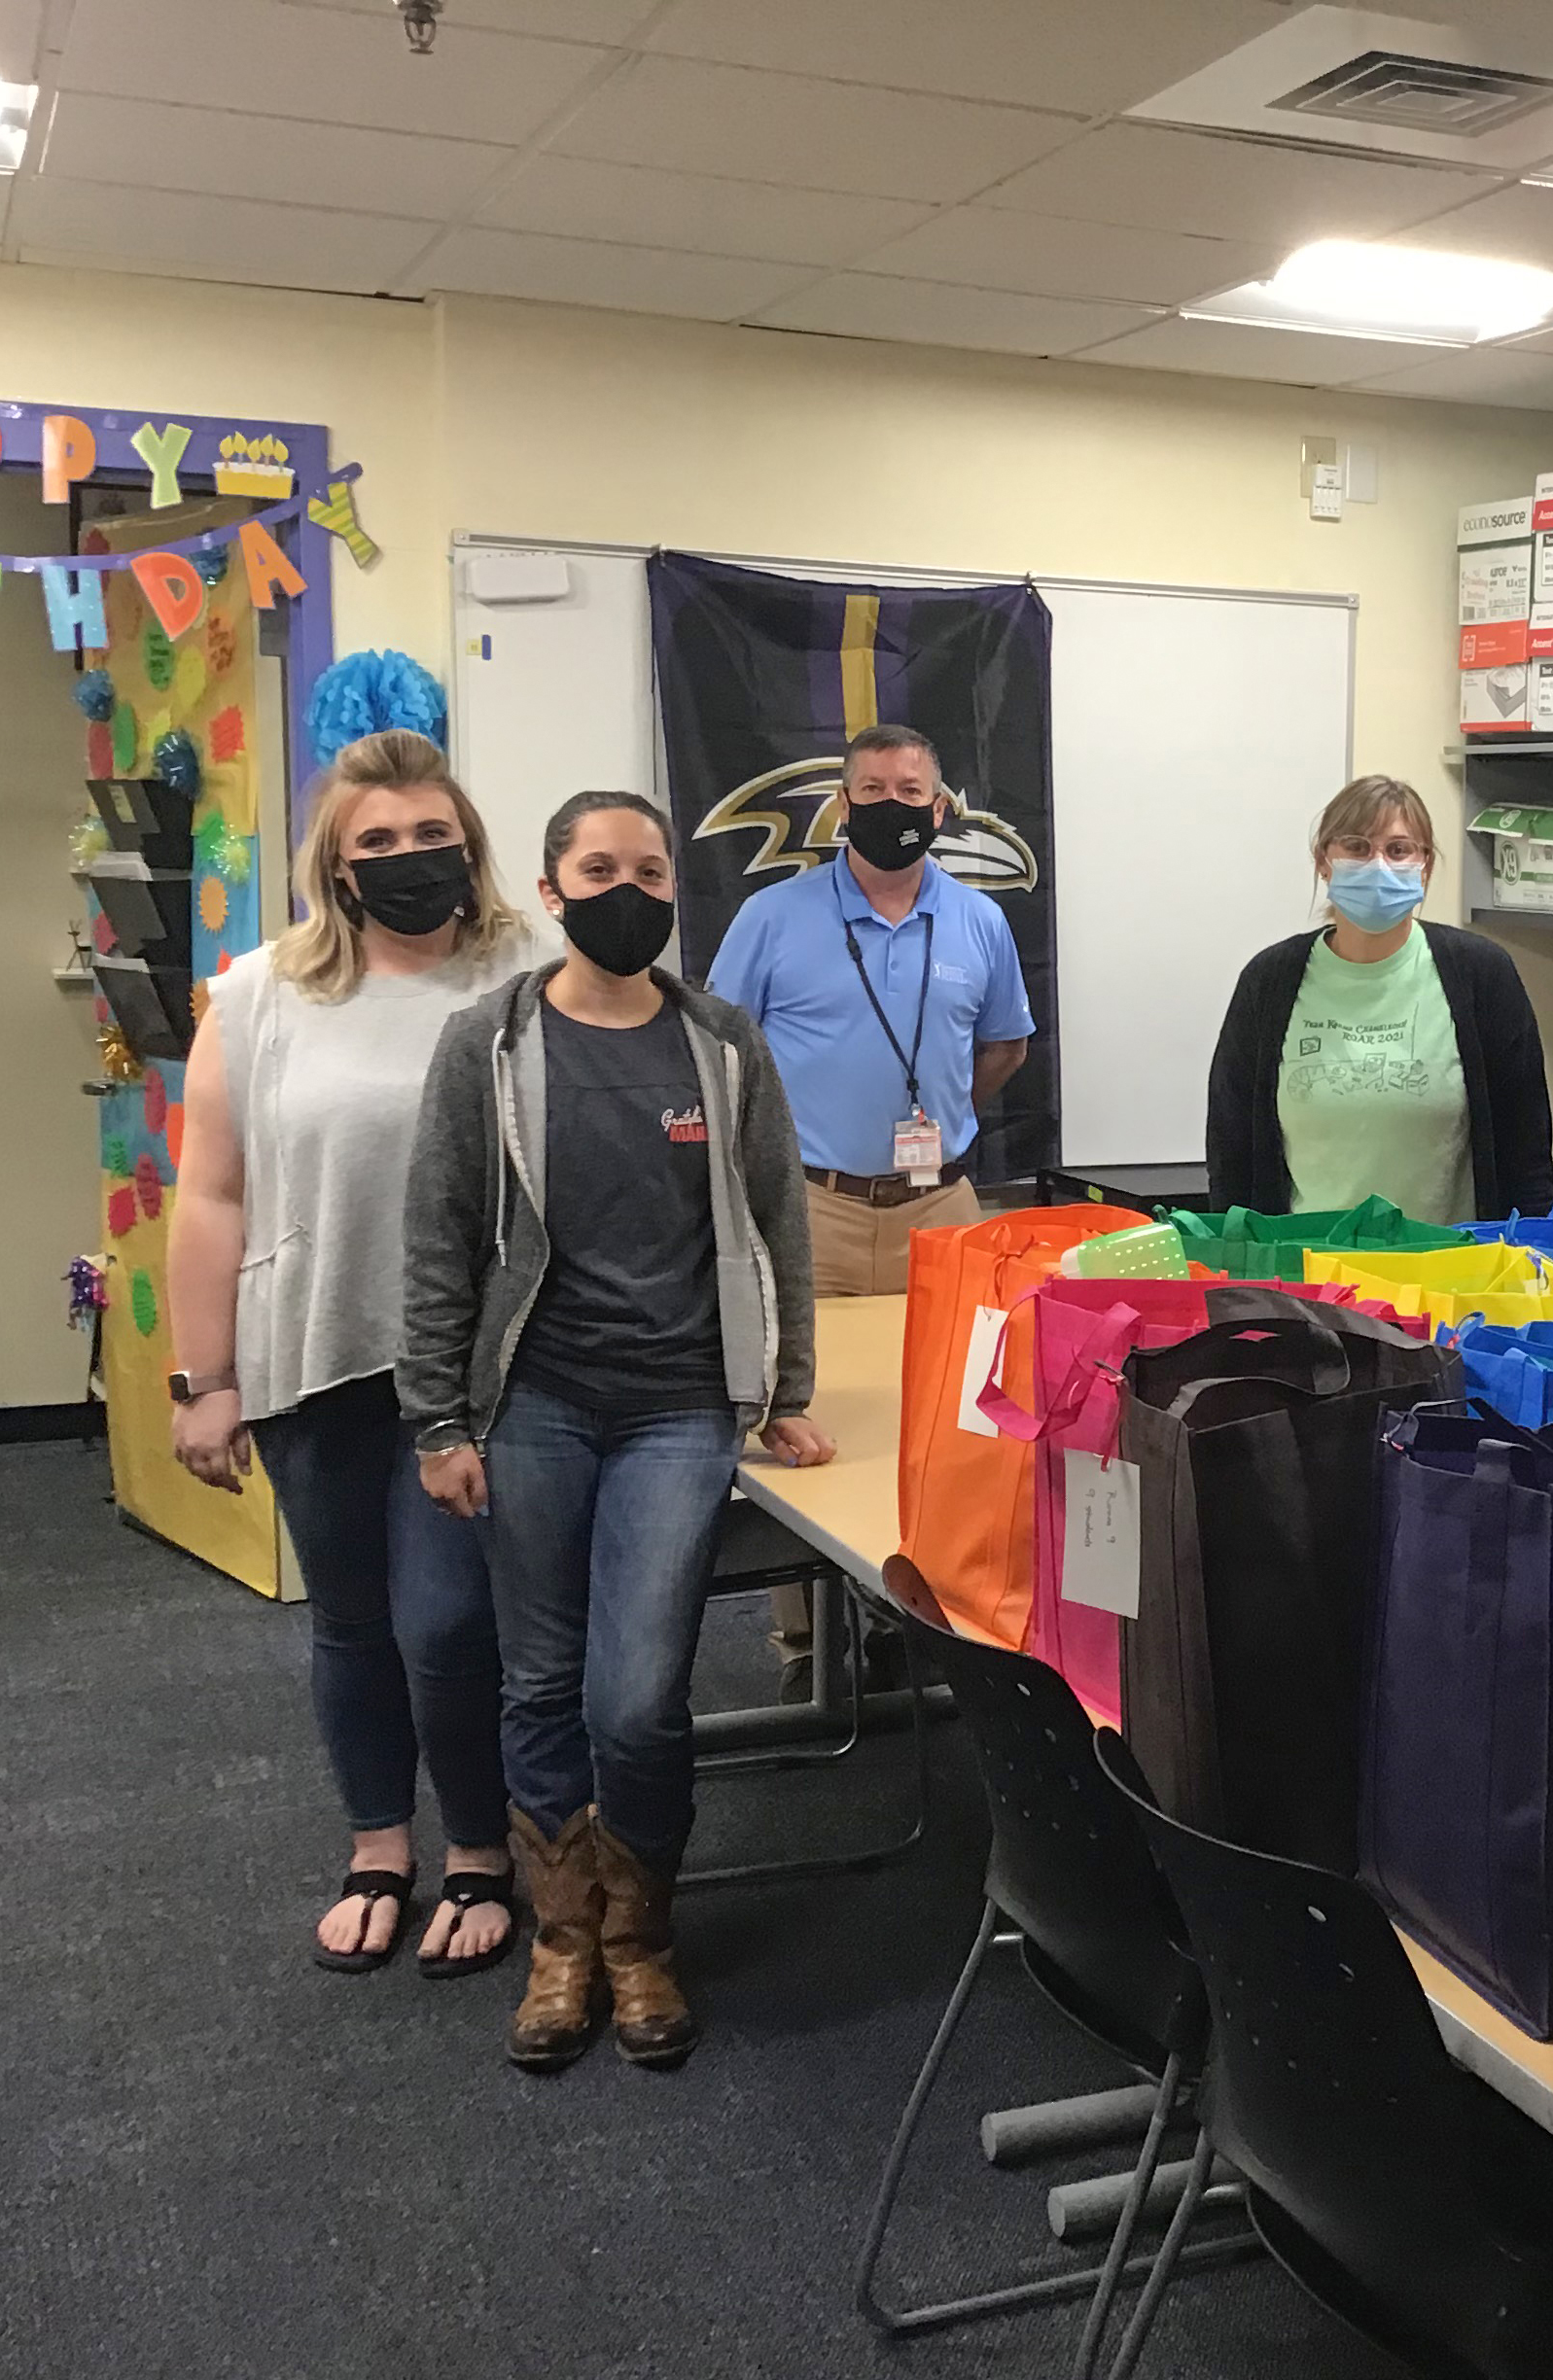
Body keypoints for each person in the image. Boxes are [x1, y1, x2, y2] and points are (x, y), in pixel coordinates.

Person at [402, 790, 832, 2073]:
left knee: (636, 1700)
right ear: (551, 889)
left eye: (651, 869)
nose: (629, 889)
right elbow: (436, 1237)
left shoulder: (723, 1044)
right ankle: (565, 1940)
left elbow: (775, 1227)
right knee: (537, 1683)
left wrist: (783, 1391)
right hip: (531, 1403)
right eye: (600, 868)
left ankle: (644, 1934)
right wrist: (438, 1417)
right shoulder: (488, 1043)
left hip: (675, 1410)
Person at [168, 728, 537, 1978]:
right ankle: (381, 1841)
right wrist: (202, 1380)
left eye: (432, 835)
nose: (408, 858)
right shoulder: (259, 993)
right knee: (350, 1623)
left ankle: (480, 1850)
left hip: (470, 1370)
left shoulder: (525, 974)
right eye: (375, 841)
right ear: (335, 864)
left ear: (469, 846)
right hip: (312, 1353)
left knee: (447, 1622)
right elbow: (211, 1194)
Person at [706, 722, 1029, 1688]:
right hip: (815, 1207)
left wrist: (937, 1117)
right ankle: (804, 1646)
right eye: (876, 789)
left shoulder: (979, 921)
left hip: (945, 1207)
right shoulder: (774, 918)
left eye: (915, 790)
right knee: (805, 1413)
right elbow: (724, 1055)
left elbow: (1003, 1049)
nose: (897, 805)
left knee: (952, 1412)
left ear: (941, 808)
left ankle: (919, 1611)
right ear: (843, 806)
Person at [1207, 776, 1553, 1223]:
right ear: (1323, 862)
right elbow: (1231, 1151)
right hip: (1304, 1274)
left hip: (1448, 1272)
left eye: (1398, 850)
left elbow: (1525, 1152)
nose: (1377, 866)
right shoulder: (1269, 981)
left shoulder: (1481, 975)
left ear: (1425, 866)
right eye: (1356, 847)